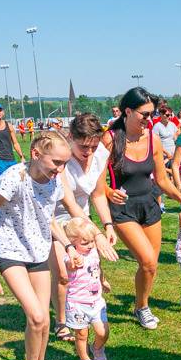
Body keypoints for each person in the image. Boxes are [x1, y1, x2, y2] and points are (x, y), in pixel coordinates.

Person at [0, 131, 94, 360]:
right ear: (36, 154)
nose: (60, 169)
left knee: (44, 321)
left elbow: (47, 219)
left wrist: (69, 246)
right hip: (9, 250)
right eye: (56, 162)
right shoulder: (14, 178)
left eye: (65, 163)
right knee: (36, 315)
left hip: (37, 249)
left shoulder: (53, 183)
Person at [103, 87, 181, 329]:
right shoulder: (110, 139)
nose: (149, 120)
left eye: (152, 114)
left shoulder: (152, 137)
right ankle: (143, 308)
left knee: (150, 266)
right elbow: (98, 183)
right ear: (128, 111)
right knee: (147, 261)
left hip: (149, 205)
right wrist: (110, 192)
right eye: (144, 114)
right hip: (124, 209)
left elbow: (162, 180)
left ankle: (140, 304)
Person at [48, 113, 117, 343]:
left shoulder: (100, 155)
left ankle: (84, 306)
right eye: (83, 146)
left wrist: (107, 224)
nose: (88, 152)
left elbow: (97, 193)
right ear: (70, 138)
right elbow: (68, 201)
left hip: (82, 218)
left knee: (84, 268)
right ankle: (61, 321)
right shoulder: (62, 161)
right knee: (64, 273)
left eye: (93, 146)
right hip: (57, 218)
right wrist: (96, 233)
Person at [60, 218, 109, 360]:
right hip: (77, 303)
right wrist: (73, 262)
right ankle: (84, 359)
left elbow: (97, 267)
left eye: (91, 241)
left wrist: (103, 280)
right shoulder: (70, 258)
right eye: (85, 243)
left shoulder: (94, 252)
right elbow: (70, 265)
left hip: (96, 301)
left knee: (103, 332)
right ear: (73, 242)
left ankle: (97, 348)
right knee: (81, 334)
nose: (90, 245)